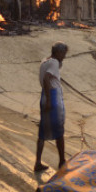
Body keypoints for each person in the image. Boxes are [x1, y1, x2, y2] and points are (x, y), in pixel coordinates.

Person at [34, 42, 68, 173]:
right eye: (63, 54)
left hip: (45, 96)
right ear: (58, 52)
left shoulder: (46, 60)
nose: (64, 57)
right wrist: (49, 100)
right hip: (52, 98)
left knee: (42, 132)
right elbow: (47, 79)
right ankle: (62, 161)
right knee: (59, 131)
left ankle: (38, 162)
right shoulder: (53, 63)